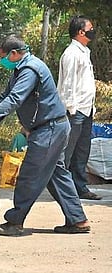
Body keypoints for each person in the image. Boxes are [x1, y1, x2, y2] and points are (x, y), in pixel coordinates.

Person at [0, 34, 90, 236]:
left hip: (49, 129)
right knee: (57, 175)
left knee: (29, 175)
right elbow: (3, 97)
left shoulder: (30, 70)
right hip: (52, 127)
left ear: (14, 53)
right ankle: (78, 220)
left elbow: (14, 99)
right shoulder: (22, 68)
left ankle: (15, 222)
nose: (2, 61)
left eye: (3, 56)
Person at [57, 16, 101, 200]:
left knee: (82, 150)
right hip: (74, 111)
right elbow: (68, 84)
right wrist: (71, 109)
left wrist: (91, 106)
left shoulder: (84, 51)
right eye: (89, 28)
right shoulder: (71, 54)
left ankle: (80, 187)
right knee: (67, 151)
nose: (92, 30)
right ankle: (63, 188)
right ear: (81, 32)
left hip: (86, 108)